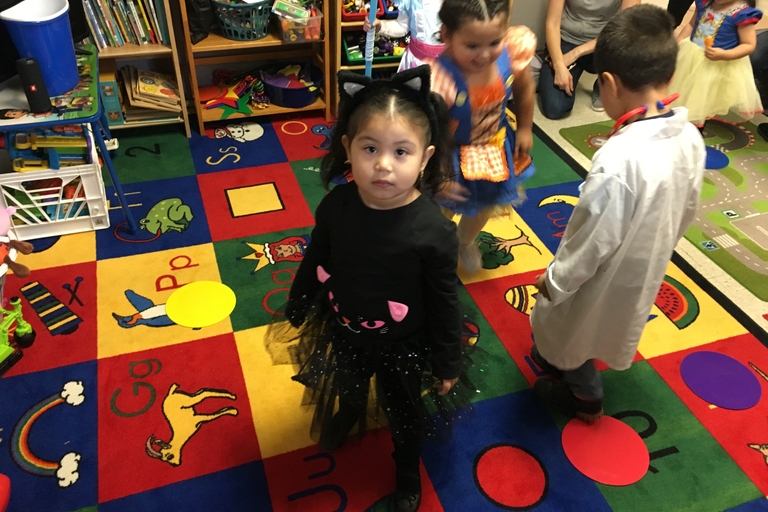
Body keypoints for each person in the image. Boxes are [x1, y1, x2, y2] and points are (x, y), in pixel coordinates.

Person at [269, 66, 472, 512]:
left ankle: (405, 467)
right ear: (347, 149)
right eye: (370, 148)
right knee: (349, 380)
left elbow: (443, 299)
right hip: (345, 325)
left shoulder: (432, 230)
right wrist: (301, 298)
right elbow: (318, 254)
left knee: (404, 411)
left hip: (404, 342)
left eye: (401, 151)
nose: (383, 164)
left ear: (425, 158)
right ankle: (350, 411)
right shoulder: (337, 205)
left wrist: (447, 358)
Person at [529, 4, 706, 423]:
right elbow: (688, 208)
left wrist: (555, 281)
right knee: (595, 325)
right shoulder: (690, 138)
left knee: (571, 326)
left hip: (598, 275)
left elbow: (590, 241)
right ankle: (564, 361)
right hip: (646, 261)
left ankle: (585, 399)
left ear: (607, 83)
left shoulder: (618, 161)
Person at [429, 0, 537, 273]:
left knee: (485, 205)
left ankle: (464, 240)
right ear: (447, 36)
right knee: (438, 210)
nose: (484, 55)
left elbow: (525, 90)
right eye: (472, 46)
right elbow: (433, 130)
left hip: (494, 147)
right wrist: (439, 173)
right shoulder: (441, 79)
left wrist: (525, 127)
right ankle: (431, 249)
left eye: (494, 42)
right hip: (449, 152)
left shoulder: (512, 53)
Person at [538, 0, 640, 119]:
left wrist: (576, 53)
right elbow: (552, 23)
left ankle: (602, 82)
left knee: (632, 44)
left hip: (605, 42)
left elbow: (627, 27)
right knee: (555, 108)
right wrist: (558, 64)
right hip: (567, 39)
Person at [670, 0, 763, 126]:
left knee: (703, 99)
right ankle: (680, 120)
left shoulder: (742, 14)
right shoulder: (704, 3)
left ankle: (697, 127)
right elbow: (691, 25)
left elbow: (748, 44)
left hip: (716, 65)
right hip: (692, 57)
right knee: (684, 89)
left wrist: (724, 55)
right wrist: (678, 42)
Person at [363, 0, 446, 71]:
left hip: (448, 66)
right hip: (415, 63)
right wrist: (380, 26)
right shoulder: (410, 1)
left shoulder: (455, 4)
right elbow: (401, 26)